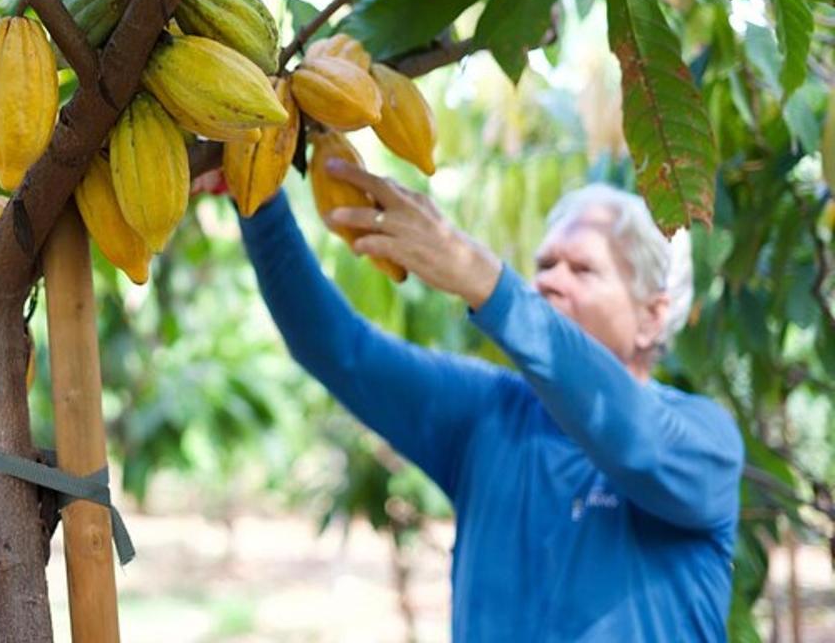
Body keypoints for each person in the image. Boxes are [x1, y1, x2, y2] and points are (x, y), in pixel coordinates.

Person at [232, 161, 744, 642]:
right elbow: (339, 348)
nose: (548, 280)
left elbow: (636, 441)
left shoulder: (705, 443)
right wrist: (258, 196)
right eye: (544, 264)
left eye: (582, 269)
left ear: (653, 316)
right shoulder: (491, 415)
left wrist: (483, 280)